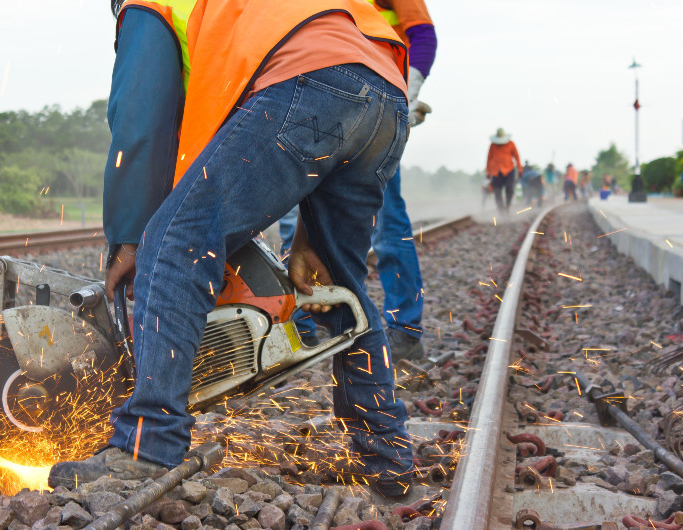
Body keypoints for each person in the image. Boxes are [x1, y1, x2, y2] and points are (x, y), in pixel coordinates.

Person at [49, 0, 417, 499]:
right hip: (385, 93)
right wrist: (309, 233)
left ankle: (147, 446)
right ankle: (389, 457)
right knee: (335, 285)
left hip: (309, 80)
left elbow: (139, 120)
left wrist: (131, 236)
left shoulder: (147, 5)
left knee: (175, 240)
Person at [278, 0, 437, 361]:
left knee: (387, 220)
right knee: (293, 216)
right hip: (319, 99)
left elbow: (423, 36)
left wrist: (405, 94)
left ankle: (405, 331)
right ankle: (303, 322)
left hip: (375, 108)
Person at [486, 128, 522, 213]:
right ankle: (501, 211)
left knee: (510, 189)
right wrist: (488, 171)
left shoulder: (511, 144)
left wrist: (520, 169)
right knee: (497, 192)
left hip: (509, 170)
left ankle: (507, 206)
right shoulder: (493, 145)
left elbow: (517, 156)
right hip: (496, 172)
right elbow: (489, 158)